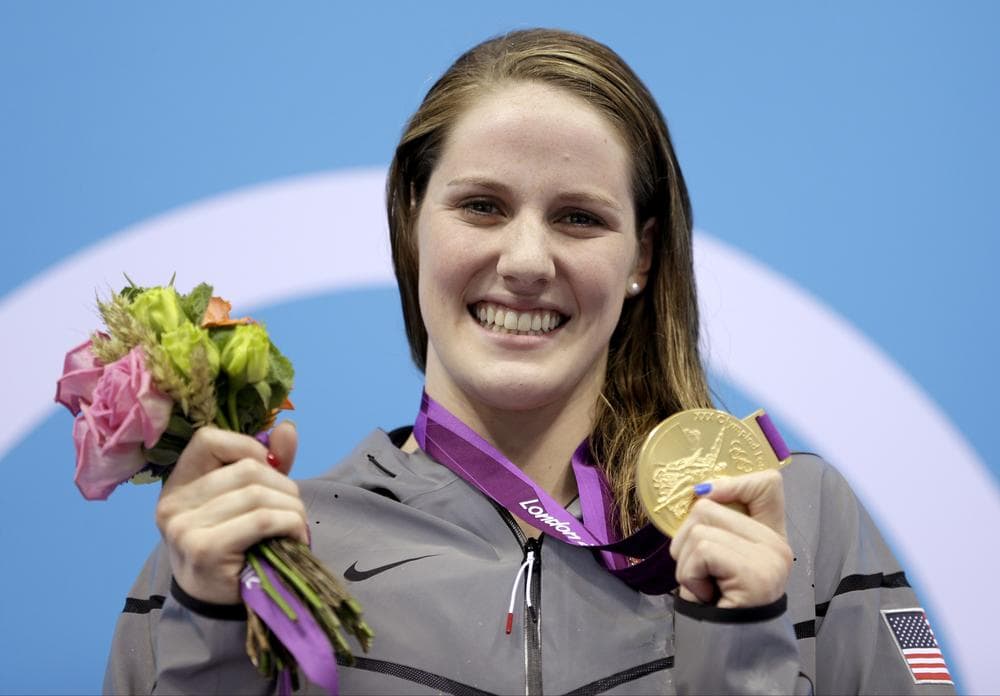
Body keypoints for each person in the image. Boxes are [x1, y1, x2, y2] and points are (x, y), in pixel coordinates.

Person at [104, 29, 955, 695]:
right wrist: (210, 625)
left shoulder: (798, 520)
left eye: (579, 218)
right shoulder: (242, 548)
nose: (525, 260)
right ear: (413, 221)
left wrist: (739, 644)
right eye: (482, 206)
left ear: (643, 258)